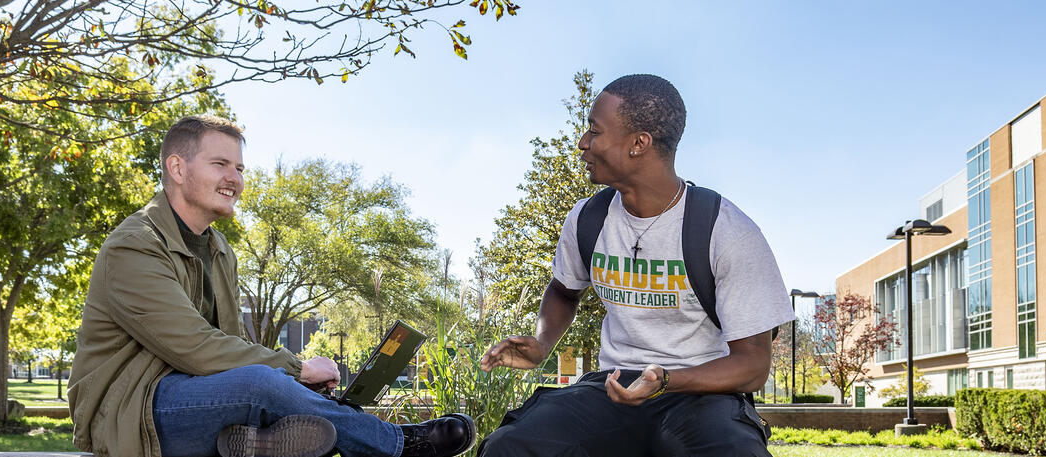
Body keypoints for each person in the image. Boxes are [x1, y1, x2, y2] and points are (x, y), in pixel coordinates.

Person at [69, 115, 475, 457]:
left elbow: (230, 344)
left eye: (240, 169)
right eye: (220, 164)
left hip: (198, 394)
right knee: (260, 384)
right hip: (134, 411)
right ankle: (398, 446)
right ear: (177, 168)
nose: (234, 179)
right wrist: (297, 369)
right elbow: (194, 346)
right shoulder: (134, 245)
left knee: (272, 387)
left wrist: (294, 382)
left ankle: (267, 441)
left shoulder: (219, 249)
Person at [476, 75, 793, 456]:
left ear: (639, 144)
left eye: (594, 131)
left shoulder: (725, 230)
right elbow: (563, 290)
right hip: (611, 386)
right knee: (508, 446)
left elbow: (753, 366)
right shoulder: (587, 219)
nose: (583, 143)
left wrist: (665, 380)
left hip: (702, 393)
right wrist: (542, 343)